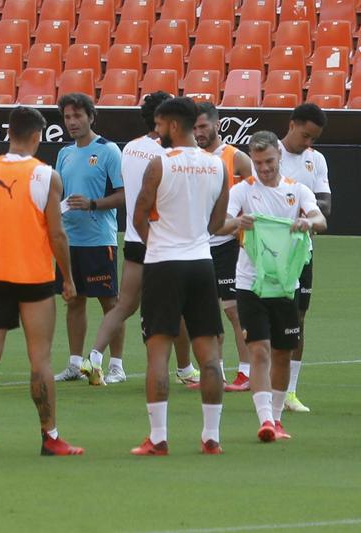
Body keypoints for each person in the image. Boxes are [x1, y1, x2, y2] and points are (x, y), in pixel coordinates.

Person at [0, 107, 83, 456]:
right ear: (37, 137)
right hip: (34, 277)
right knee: (41, 359)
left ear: (8, 133)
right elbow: (58, 235)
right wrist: (68, 278)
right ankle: (50, 436)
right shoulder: (46, 176)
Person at [131, 96, 232, 456]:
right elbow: (218, 223)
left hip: (163, 263)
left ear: (173, 125)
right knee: (209, 355)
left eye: (159, 125)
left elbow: (139, 216)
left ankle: (158, 437)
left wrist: (157, 241)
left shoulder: (158, 164)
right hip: (202, 261)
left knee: (158, 355)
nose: (156, 132)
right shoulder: (218, 166)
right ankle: (211, 437)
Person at [223, 132, 325, 443]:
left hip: (285, 283)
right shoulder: (242, 191)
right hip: (250, 283)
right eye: (258, 163)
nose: (264, 168)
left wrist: (308, 223)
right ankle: (265, 420)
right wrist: (239, 223)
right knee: (259, 351)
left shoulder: (298, 191)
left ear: (279, 157)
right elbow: (219, 225)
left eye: (269, 161)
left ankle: (277, 417)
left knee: (283, 352)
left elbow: (321, 218)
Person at [93, 91, 193, 387]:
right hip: (164, 239)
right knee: (179, 308)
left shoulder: (131, 148)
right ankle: (186, 369)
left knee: (123, 305)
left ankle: (94, 357)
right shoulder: (169, 154)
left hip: (135, 238)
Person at [52, 93, 123, 386]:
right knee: (74, 299)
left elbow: (123, 195)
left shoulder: (108, 151)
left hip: (99, 239)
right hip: (70, 240)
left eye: (78, 116)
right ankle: (74, 363)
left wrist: (93, 204)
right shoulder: (65, 153)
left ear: (91, 117)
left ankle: (116, 366)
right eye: (67, 117)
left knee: (111, 303)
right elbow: (56, 192)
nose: (72, 122)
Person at [192, 103, 254, 392]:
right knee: (204, 312)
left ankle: (246, 372)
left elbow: (255, 194)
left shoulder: (236, 158)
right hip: (198, 244)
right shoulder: (188, 158)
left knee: (233, 310)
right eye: (195, 127)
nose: (199, 132)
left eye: (203, 126)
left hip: (227, 244)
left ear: (217, 124)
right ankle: (212, 372)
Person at [276, 102, 331, 413]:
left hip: (302, 251)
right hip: (268, 252)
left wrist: (303, 213)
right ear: (292, 123)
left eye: (314, 138)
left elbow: (326, 206)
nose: (308, 143)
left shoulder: (316, 160)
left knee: (298, 318)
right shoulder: (270, 154)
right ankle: (266, 386)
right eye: (306, 135)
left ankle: (290, 392)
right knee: (268, 317)